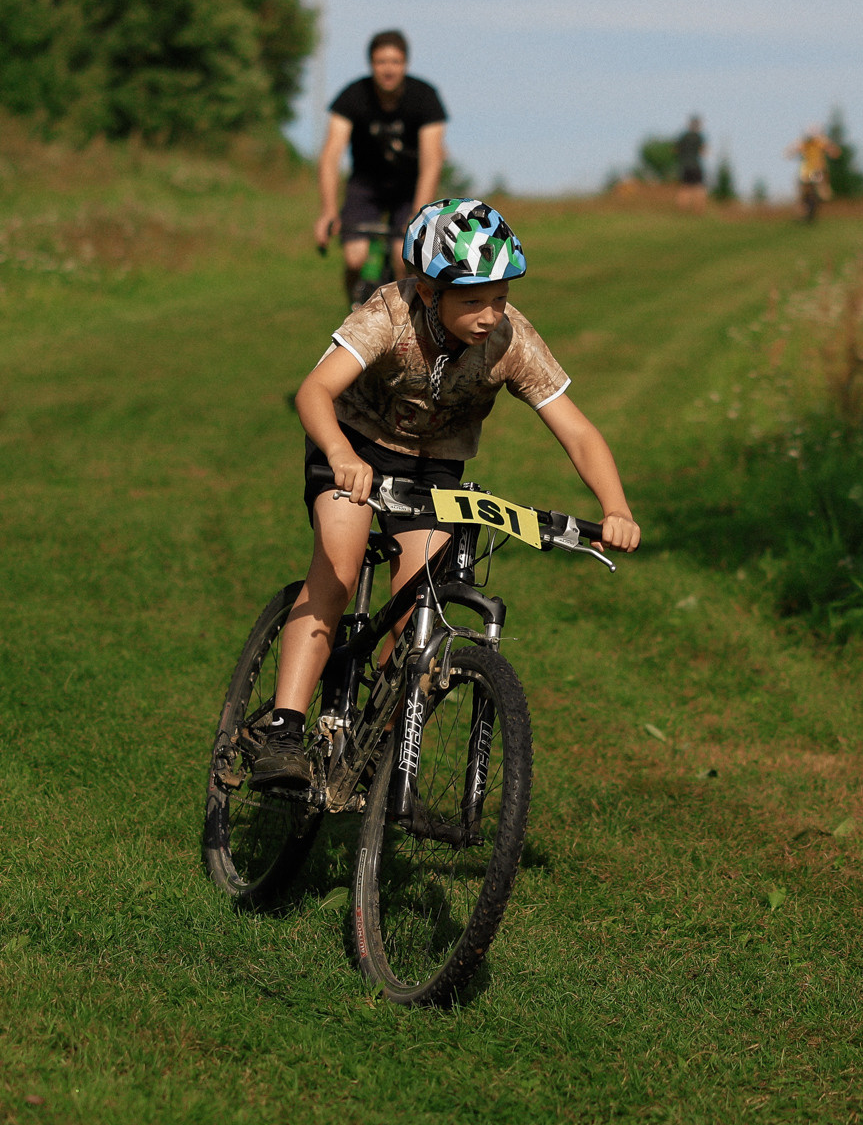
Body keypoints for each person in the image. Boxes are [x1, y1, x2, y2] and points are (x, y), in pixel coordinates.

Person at [249, 198, 641, 790]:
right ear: (429, 291)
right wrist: (340, 456)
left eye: (501, 298)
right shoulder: (389, 312)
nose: (490, 315)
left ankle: (374, 750)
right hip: (351, 447)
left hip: (434, 469)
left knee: (417, 608)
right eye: (473, 300)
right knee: (339, 561)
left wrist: (616, 507)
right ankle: (282, 730)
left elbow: (578, 430)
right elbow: (313, 394)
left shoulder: (511, 340)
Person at [315, 31, 447, 306]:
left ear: (405, 64)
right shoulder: (353, 96)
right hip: (366, 185)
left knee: (405, 258)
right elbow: (330, 155)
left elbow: (432, 159)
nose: (388, 69)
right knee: (355, 257)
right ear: (371, 64)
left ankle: (405, 323)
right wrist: (328, 210)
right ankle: (353, 310)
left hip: (409, 188)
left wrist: (419, 212)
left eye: (395, 62)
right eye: (381, 62)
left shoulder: (424, 97)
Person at [787, 123, 841, 222]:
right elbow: (791, 151)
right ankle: (805, 209)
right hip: (807, 171)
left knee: (821, 193)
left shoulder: (820, 142)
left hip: (816, 170)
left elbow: (834, 152)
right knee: (805, 192)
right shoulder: (806, 142)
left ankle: (812, 204)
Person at [674, 115, 708, 212]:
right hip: (696, 165)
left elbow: (676, 149)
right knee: (699, 188)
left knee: (684, 188)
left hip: (685, 165)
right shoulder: (699, 137)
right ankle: (698, 210)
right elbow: (703, 152)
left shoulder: (684, 136)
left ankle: (682, 210)